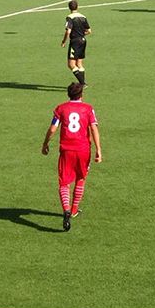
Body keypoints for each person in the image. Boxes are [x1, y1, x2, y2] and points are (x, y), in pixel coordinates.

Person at [41, 82, 102, 232]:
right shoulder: (88, 109)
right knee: (80, 178)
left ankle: (66, 210)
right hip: (83, 150)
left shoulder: (61, 108)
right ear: (81, 94)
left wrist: (45, 143)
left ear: (68, 94)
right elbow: (94, 128)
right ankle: (74, 209)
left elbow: (53, 128)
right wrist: (98, 149)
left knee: (64, 182)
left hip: (66, 150)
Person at [62, 0, 91, 86]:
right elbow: (89, 31)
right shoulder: (83, 17)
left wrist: (63, 41)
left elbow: (68, 31)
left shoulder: (70, 17)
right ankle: (83, 82)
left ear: (69, 8)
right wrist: (81, 34)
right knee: (79, 63)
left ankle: (82, 83)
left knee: (71, 64)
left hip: (75, 42)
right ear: (77, 7)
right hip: (83, 40)